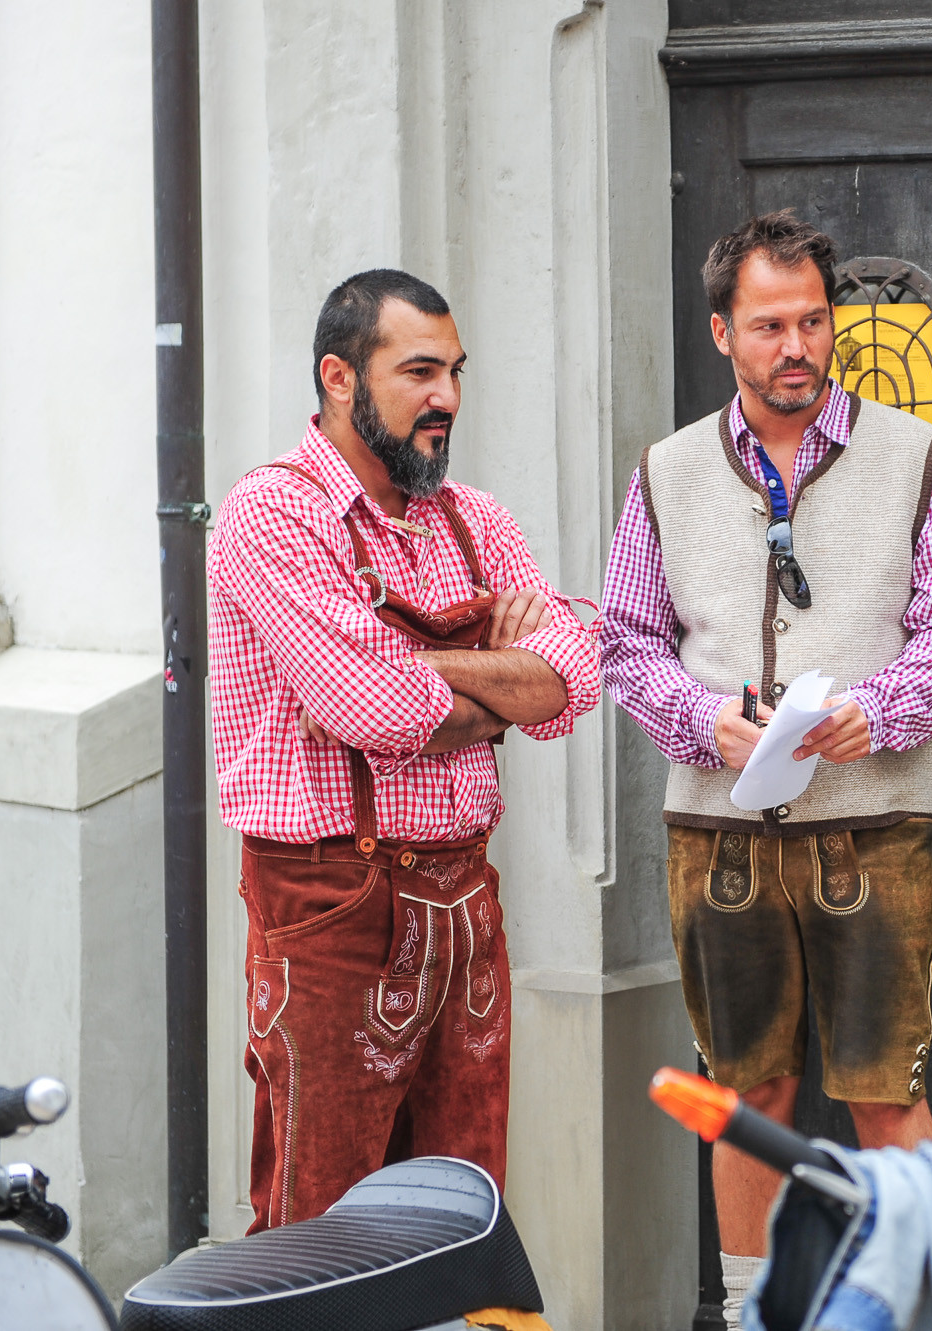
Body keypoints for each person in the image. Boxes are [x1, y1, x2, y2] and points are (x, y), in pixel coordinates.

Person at [600, 209, 932, 1326]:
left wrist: (881, 709)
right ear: (722, 331)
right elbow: (625, 638)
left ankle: (927, 1312)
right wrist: (701, 719)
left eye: (813, 321)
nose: (797, 346)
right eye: (770, 325)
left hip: (874, 828)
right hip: (717, 836)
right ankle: (750, 1315)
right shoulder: (668, 470)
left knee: (884, 1092)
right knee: (744, 1094)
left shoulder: (922, 459)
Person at [208, 268, 601, 1232]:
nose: (448, 397)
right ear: (340, 377)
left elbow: (578, 671)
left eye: (455, 372)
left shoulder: (474, 516)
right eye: (420, 371)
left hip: (466, 902)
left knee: (460, 1216)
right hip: (332, 904)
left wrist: (423, 667)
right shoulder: (275, 512)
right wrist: (498, 676)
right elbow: (371, 706)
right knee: (320, 1223)